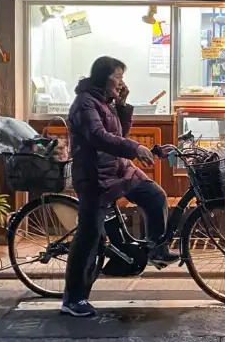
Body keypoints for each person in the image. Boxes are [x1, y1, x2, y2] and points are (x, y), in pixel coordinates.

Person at [61, 56, 177, 317]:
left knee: (155, 195)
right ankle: (73, 299)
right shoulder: (85, 103)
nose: (122, 83)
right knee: (89, 236)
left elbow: (119, 134)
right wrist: (135, 148)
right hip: (94, 177)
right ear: (104, 77)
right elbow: (98, 137)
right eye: (118, 77)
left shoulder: (106, 102)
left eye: (122, 78)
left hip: (119, 170)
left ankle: (157, 248)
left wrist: (123, 106)